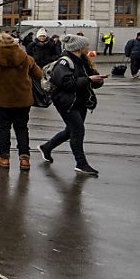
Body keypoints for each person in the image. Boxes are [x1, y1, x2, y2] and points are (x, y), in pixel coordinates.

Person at [38, 34, 104, 177]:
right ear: (79, 48)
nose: (88, 47)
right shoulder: (64, 62)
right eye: (86, 45)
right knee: (78, 131)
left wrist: (97, 81)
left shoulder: (83, 61)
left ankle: (47, 147)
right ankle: (81, 163)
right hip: (66, 101)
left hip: (80, 101)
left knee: (71, 130)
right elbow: (66, 83)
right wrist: (88, 80)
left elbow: (88, 79)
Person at [0, 32, 43, 170]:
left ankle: (4, 158)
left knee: (3, 128)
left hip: (1, 98)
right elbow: (38, 75)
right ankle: (24, 159)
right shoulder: (25, 57)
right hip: (23, 99)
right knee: (22, 127)